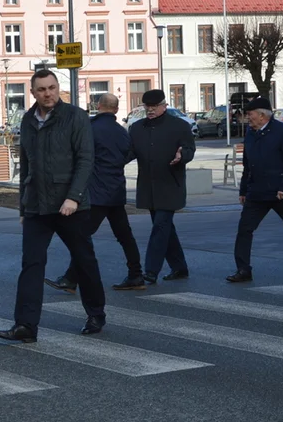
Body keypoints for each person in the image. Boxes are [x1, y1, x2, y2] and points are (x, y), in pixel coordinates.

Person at [0, 69, 106, 343]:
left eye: (52, 87)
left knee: (84, 260)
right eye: (42, 89)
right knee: (31, 264)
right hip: (36, 206)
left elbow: (85, 160)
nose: (48, 93)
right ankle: (25, 325)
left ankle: (96, 313)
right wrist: (23, 207)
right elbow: (26, 166)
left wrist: (74, 197)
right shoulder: (28, 120)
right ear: (32, 92)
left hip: (70, 205)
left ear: (59, 88)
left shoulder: (75, 117)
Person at [46, 93, 145, 292]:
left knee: (81, 237)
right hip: (116, 191)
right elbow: (127, 155)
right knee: (125, 236)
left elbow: (79, 157)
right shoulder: (122, 132)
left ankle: (70, 279)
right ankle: (136, 274)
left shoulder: (90, 129)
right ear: (116, 110)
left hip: (96, 193)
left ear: (98, 106)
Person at [227, 97, 283, 283]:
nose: (248, 118)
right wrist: (243, 190)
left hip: (280, 192)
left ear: (262, 116)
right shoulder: (251, 133)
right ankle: (243, 269)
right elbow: (248, 164)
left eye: (250, 114)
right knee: (244, 229)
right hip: (256, 192)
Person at [130, 88, 196, 284]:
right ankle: (179, 267)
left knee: (160, 226)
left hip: (170, 185)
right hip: (148, 187)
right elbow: (129, 152)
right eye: (147, 106)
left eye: (154, 106)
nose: (150, 110)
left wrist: (181, 156)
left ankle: (150, 270)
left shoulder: (179, 126)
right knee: (165, 228)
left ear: (164, 106)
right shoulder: (137, 128)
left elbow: (189, 149)